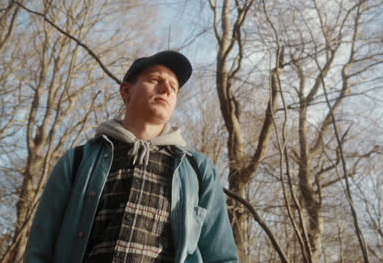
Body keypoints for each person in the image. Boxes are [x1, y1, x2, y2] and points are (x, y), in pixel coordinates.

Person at [24, 51, 238, 263]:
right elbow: (40, 248)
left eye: (174, 88)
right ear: (126, 91)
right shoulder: (79, 160)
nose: (166, 89)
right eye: (156, 80)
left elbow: (221, 256)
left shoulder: (197, 170)